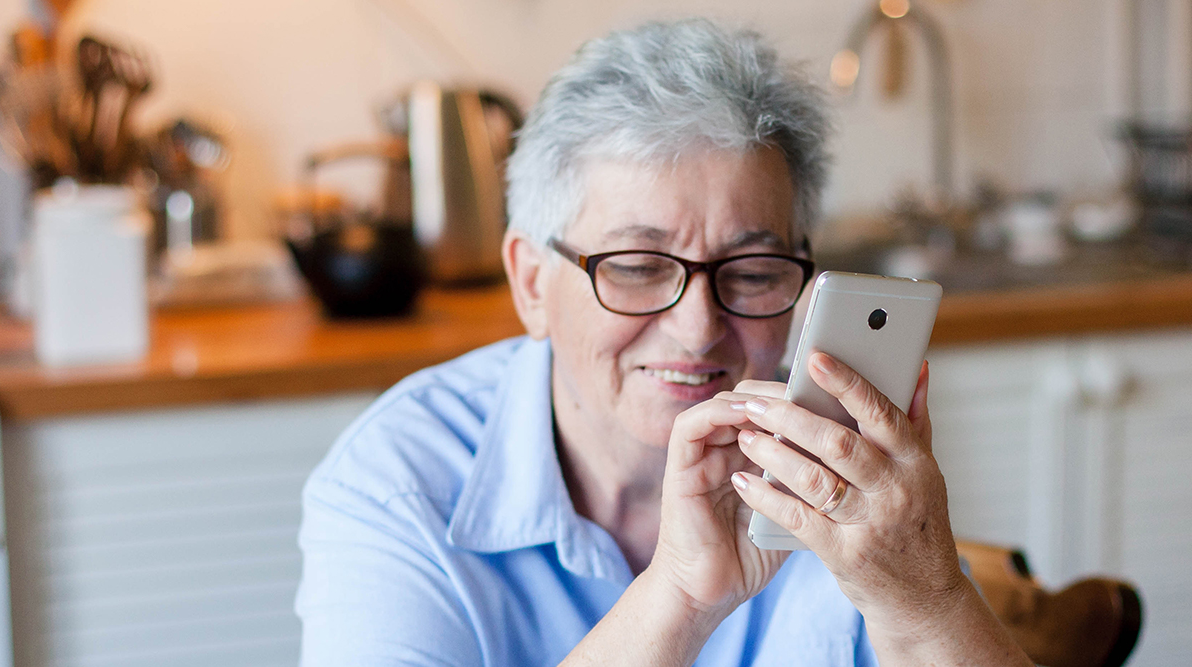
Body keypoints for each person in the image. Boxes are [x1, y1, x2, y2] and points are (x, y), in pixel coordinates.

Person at [296, 19, 1030, 666]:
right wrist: (678, 596)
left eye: (749, 271)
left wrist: (928, 599)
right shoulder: (394, 487)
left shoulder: (834, 478)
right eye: (639, 268)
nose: (698, 326)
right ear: (530, 283)